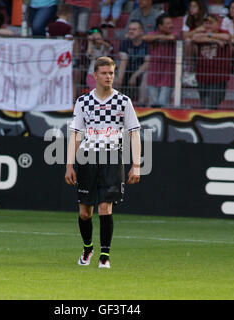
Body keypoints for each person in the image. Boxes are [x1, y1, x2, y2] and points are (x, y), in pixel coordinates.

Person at [65, 56, 141, 269]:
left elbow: (134, 132)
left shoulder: (123, 102)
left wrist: (136, 165)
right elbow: (76, 134)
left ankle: (104, 256)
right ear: (95, 76)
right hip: (87, 159)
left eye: (111, 73)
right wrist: (69, 165)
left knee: (105, 207)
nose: (108, 77)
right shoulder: (83, 102)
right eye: (104, 73)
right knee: (84, 212)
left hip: (112, 158)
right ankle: (88, 248)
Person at [192, 14, 232, 110]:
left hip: (218, 77)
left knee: (211, 105)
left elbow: (227, 37)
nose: (207, 25)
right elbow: (194, 37)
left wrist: (208, 35)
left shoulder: (223, 32)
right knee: (204, 103)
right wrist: (214, 40)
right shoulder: (201, 32)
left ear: (218, 24)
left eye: (210, 23)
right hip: (203, 76)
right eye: (206, 23)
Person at [143, 13, 177, 107]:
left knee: (163, 104)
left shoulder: (174, 33)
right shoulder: (152, 34)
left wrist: (159, 38)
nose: (171, 25)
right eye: (168, 23)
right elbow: (145, 37)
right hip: (153, 76)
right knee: (153, 105)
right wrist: (161, 37)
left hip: (167, 76)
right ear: (160, 26)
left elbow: (173, 37)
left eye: (171, 23)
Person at [115, 19, 149, 104]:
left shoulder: (147, 44)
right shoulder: (125, 43)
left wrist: (134, 76)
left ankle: (141, 104)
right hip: (126, 72)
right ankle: (114, 104)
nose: (131, 31)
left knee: (147, 76)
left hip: (140, 73)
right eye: (129, 29)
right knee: (113, 78)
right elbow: (123, 60)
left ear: (141, 31)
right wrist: (119, 79)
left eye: (134, 29)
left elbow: (148, 63)